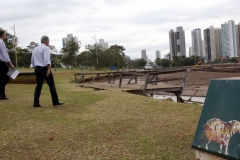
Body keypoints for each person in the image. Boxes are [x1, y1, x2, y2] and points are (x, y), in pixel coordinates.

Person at [31, 36, 64, 107]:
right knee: (51, 85)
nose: (49, 42)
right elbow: (46, 59)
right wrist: (48, 69)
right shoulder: (46, 48)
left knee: (38, 86)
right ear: (46, 41)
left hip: (37, 68)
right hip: (44, 68)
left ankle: (36, 102)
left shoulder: (35, 48)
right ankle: (55, 101)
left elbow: (32, 59)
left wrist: (35, 67)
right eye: (48, 41)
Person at [0, 29, 14, 100]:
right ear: (2, 35)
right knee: (7, 78)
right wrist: (10, 63)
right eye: (5, 34)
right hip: (2, 63)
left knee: (1, 79)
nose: (5, 35)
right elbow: (5, 54)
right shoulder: (1, 42)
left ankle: (2, 95)